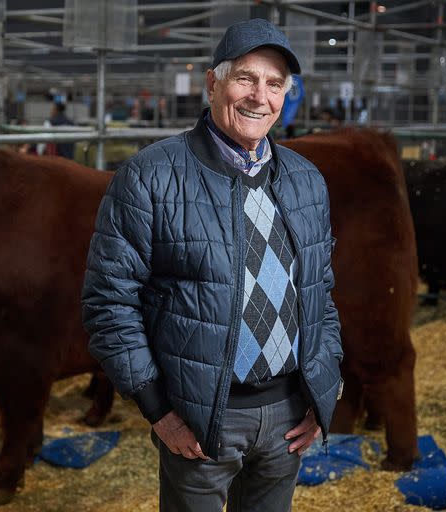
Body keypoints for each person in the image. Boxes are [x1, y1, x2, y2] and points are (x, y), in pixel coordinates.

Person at [82, 18, 343, 512]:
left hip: (289, 416)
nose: (258, 97)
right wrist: (159, 410)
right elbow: (108, 302)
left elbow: (321, 293)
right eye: (245, 77)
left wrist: (321, 391)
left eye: (274, 84)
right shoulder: (150, 177)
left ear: (286, 95)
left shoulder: (306, 182)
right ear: (212, 82)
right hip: (201, 420)